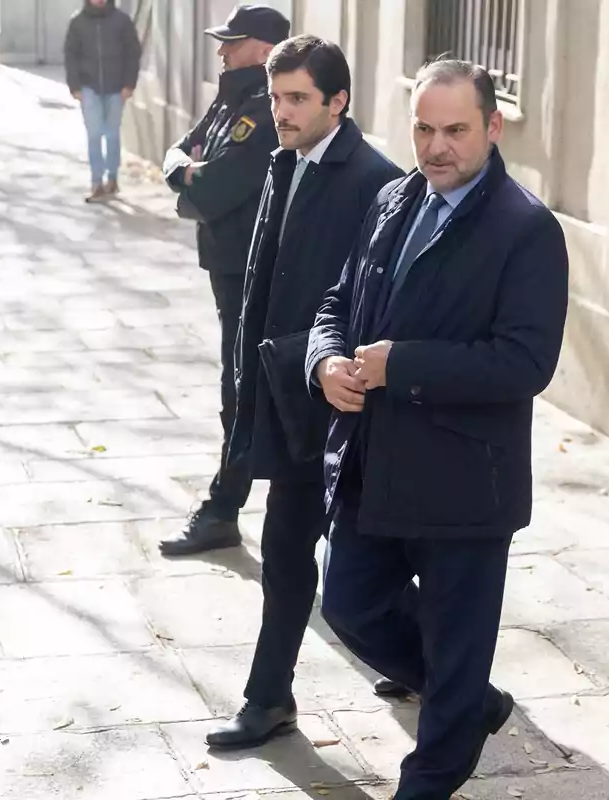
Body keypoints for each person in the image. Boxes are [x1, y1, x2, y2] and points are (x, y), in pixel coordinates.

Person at [305, 57, 570, 800]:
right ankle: (470, 703)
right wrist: (325, 362)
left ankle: (431, 774)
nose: (436, 146)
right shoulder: (393, 198)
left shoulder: (527, 228)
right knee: (349, 603)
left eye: (455, 130)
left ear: (492, 126)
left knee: (456, 647)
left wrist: (404, 366)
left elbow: (525, 362)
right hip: (373, 464)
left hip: (465, 483)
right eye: (424, 128)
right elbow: (337, 301)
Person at [202, 35, 404, 749]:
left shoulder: (376, 182)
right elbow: (265, 278)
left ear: (337, 102)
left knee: (360, 559)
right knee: (288, 553)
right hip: (284, 395)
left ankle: (454, 683)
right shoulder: (283, 158)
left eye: (296, 99)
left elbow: (377, 302)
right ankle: (272, 697)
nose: (281, 112)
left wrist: (336, 369)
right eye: (277, 97)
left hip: (340, 406)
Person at [158, 4, 289, 557]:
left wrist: (188, 178)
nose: (221, 51)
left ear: (261, 50)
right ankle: (227, 506)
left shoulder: (261, 112)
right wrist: (185, 171)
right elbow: (179, 150)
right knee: (238, 384)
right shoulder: (231, 97)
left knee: (243, 388)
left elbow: (211, 189)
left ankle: (224, 507)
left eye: (232, 43)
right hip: (224, 261)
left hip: (250, 267)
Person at [63, 0, 141, 202]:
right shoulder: (78, 22)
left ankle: (112, 180)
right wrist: (75, 86)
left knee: (112, 134)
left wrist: (129, 84)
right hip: (89, 88)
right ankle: (96, 183)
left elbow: (133, 53)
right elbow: (70, 55)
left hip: (116, 88)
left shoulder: (122, 21)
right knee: (94, 134)